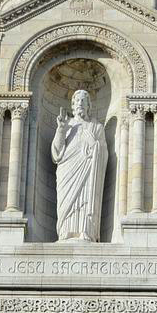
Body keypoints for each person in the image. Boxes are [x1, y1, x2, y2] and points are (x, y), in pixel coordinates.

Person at [51, 89, 107, 241]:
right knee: (66, 202)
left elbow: (103, 154)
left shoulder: (96, 127)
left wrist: (94, 146)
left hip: (88, 172)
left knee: (85, 200)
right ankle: (65, 231)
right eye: (78, 101)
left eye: (84, 101)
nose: (80, 103)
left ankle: (85, 231)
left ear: (89, 105)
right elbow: (56, 153)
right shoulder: (66, 124)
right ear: (73, 105)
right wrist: (61, 129)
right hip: (67, 170)